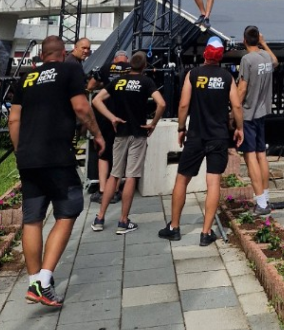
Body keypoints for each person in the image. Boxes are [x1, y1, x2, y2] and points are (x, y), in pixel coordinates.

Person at [8, 35, 104, 309]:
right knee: (68, 212)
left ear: (42, 55)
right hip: (57, 158)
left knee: (32, 219)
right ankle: (44, 280)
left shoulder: (25, 79)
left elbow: (14, 119)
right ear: (63, 54)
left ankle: (33, 282)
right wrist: (98, 135)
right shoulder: (69, 70)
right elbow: (81, 107)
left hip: (28, 159)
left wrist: (20, 151)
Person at [158, 36, 243, 246]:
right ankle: (205, 233)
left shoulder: (193, 74)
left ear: (205, 52)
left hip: (196, 135)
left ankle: (174, 227)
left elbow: (183, 104)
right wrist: (239, 128)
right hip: (218, 136)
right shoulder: (227, 77)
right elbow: (236, 106)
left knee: (182, 180)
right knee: (213, 183)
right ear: (220, 56)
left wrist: (181, 128)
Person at [91, 51, 165, 234]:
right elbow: (162, 104)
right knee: (131, 176)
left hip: (120, 132)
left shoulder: (118, 81)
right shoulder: (146, 81)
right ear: (144, 66)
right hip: (138, 132)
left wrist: (112, 117)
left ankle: (99, 218)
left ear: (130, 64)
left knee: (114, 175)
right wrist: (153, 123)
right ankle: (123, 221)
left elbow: (96, 100)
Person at [238, 25, 278, 215]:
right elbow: (276, 61)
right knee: (261, 154)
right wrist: (265, 44)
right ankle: (266, 197)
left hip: (248, 113)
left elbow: (242, 89)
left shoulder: (247, 59)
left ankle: (260, 202)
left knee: (250, 155)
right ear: (258, 39)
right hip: (262, 112)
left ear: (244, 40)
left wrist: (233, 112)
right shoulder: (266, 57)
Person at [87, 50, 130, 202]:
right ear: (127, 59)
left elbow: (90, 86)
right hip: (124, 116)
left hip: (106, 115)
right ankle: (116, 191)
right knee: (120, 155)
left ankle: (102, 190)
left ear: (114, 59)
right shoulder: (130, 68)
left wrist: (102, 84)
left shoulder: (105, 68)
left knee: (103, 154)